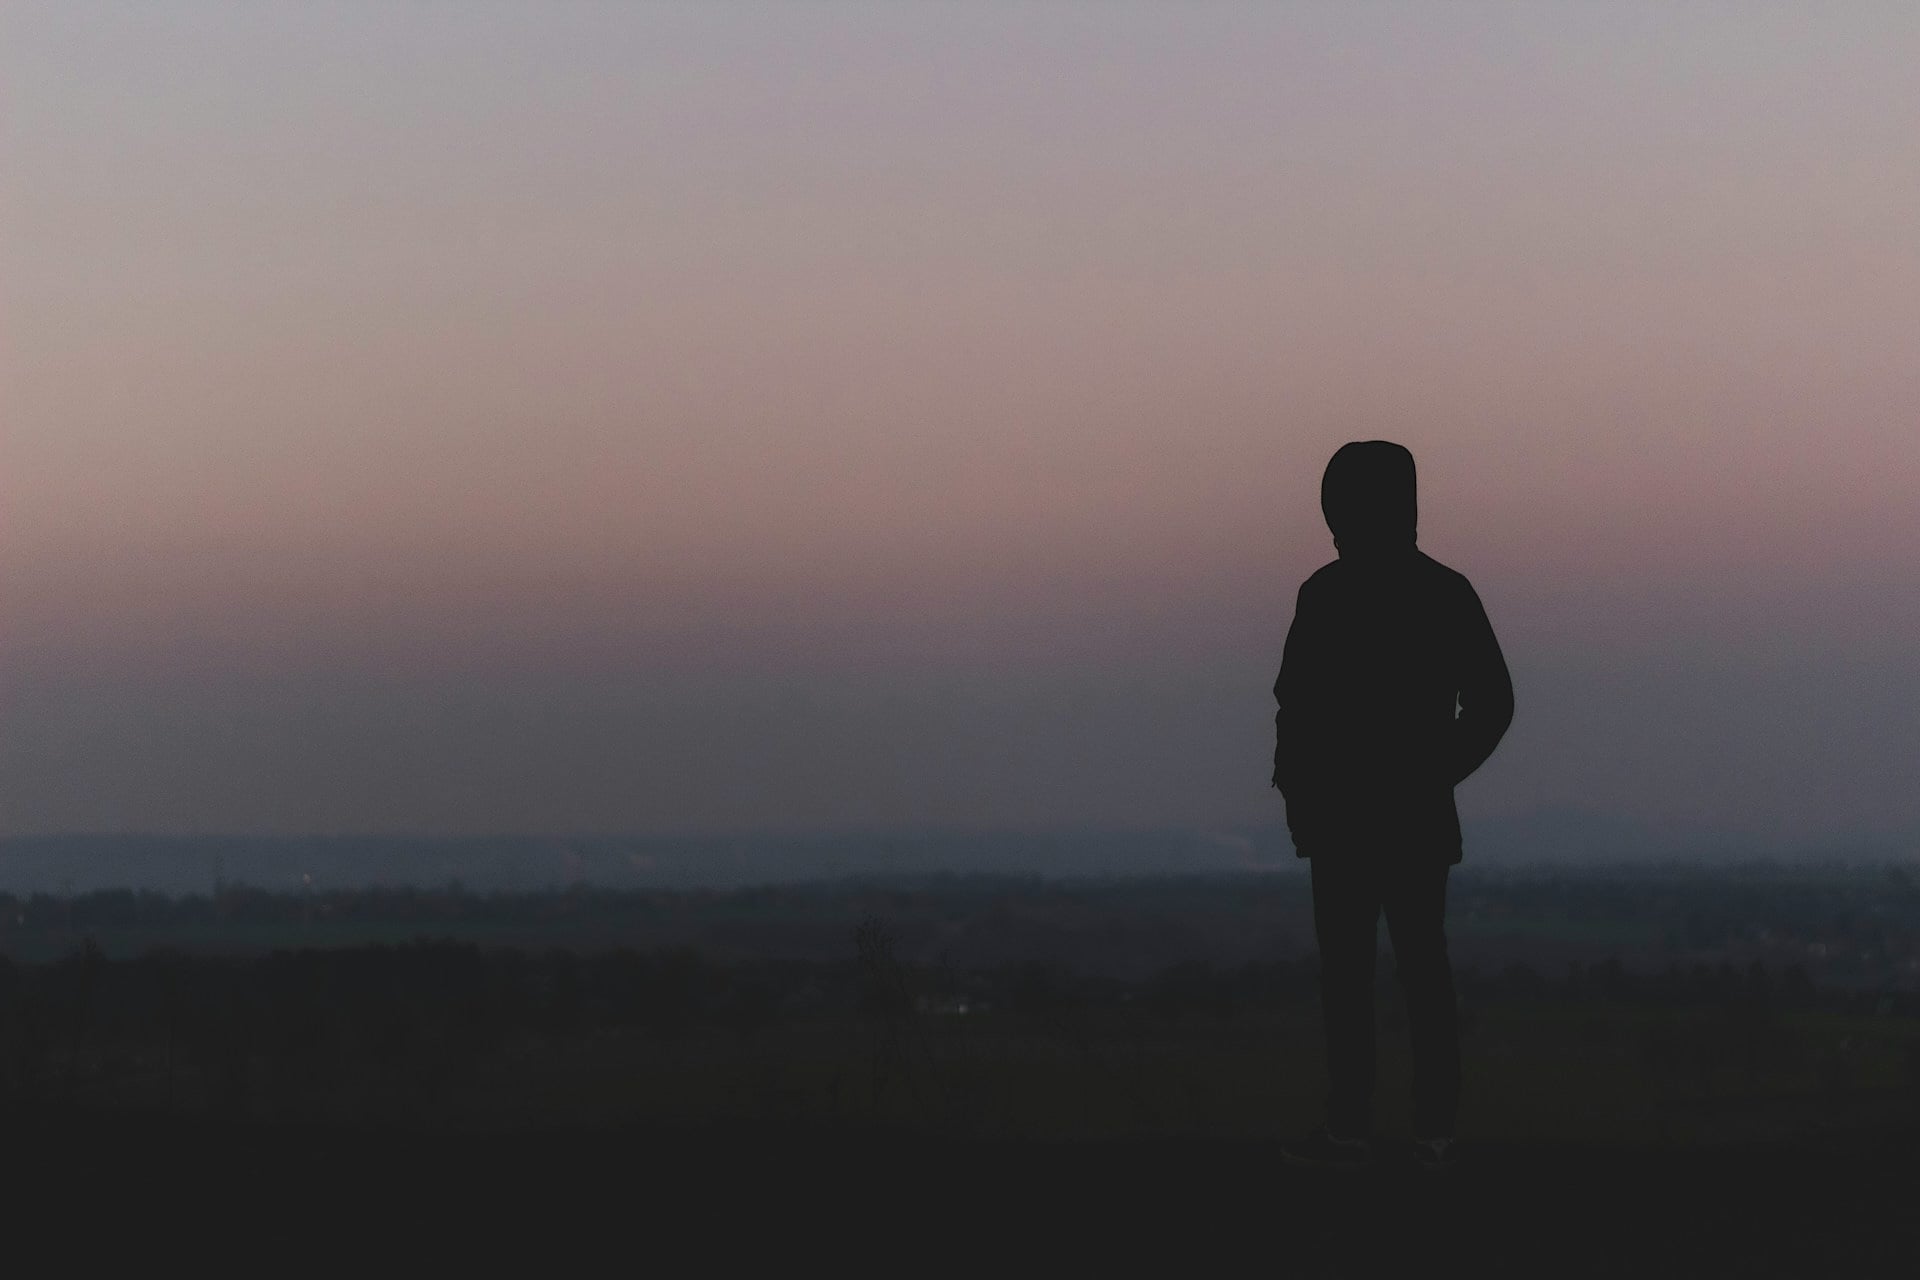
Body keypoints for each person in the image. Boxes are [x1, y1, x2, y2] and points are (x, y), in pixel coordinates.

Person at [1273, 441, 1513, 1173]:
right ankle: (1401, 1135)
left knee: (1394, 978)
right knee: (1386, 978)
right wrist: (1302, 789)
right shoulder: (1380, 592)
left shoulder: (1365, 593)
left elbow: (1491, 703)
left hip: (1370, 821)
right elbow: (1296, 707)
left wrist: (1429, 772)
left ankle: (1400, 1135)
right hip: (1372, 821)